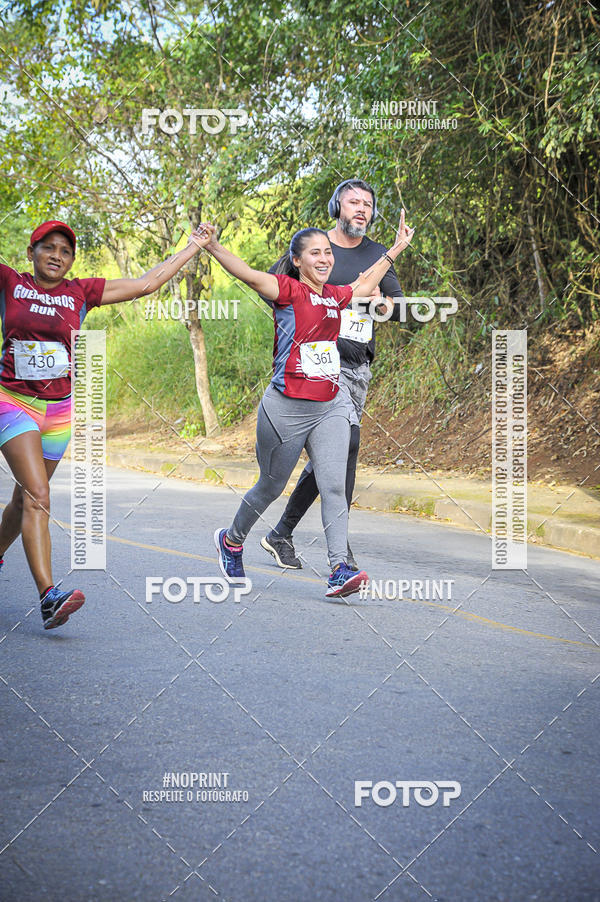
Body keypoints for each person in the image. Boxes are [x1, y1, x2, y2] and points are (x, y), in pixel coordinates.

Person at [191, 211, 414, 598]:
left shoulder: (334, 296)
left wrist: (396, 248)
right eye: (315, 253)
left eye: (328, 252)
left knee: (333, 486)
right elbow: (246, 273)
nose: (325, 258)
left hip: (329, 404)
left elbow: (363, 285)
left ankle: (338, 569)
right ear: (298, 261)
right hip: (286, 408)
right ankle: (232, 540)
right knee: (270, 487)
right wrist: (212, 245)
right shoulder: (286, 291)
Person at [0, 220, 207, 629]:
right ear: (31, 253)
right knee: (39, 494)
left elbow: (148, 283)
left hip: (58, 410)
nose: (57, 256)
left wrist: (193, 246)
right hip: (11, 400)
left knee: (25, 498)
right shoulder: (10, 282)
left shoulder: (82, 292)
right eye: (48, 248)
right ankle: (48, 596)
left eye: (65, 251)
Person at [260, 178, 407, 571]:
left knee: (337, 454)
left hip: (356, 367)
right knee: (346, 451)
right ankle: (339, 555)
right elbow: (274, 289)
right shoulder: (315, 249)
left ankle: (281, 534)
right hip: (315, 363)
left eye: (368, 204)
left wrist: (380, 305)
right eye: (353, 202)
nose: (361, 208)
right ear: (336, 207)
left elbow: (401, 308)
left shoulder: (378, 254)